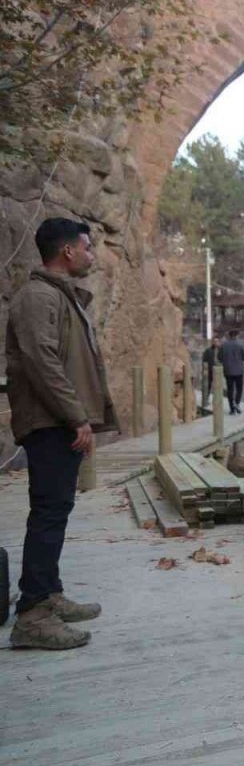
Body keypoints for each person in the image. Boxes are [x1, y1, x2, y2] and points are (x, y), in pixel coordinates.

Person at [6, 217, 117, 649]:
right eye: (87, 248)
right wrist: (76, 416)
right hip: (52, 423)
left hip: (61, 421)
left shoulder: (58, 296)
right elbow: (42, 362)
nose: (92, 255)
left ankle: (48, 594)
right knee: (49, 513)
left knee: (56, 510)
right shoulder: (37, 297)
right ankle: (33, 616)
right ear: (68, 251)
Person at [218, 329, 244, 414]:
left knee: (230, 389)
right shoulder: (241, 345)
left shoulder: (224, 345)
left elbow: (219, 358)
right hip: (239, 371)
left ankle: (232, 409)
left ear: (229, 335)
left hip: (228, 370)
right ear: (237, 335)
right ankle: (237, 403)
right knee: (239, 388)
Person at [201, 336, 221, 408]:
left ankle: (217, 400)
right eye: (214, 341)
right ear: (212, 342)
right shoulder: (208, 350)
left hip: (219, 371)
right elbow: (204, 360)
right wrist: (205, 370)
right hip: (210, 370)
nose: (216, 343)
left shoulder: (221, 350)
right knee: (208, 385)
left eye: (217, 341)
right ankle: (206, 399)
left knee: (218, 386)